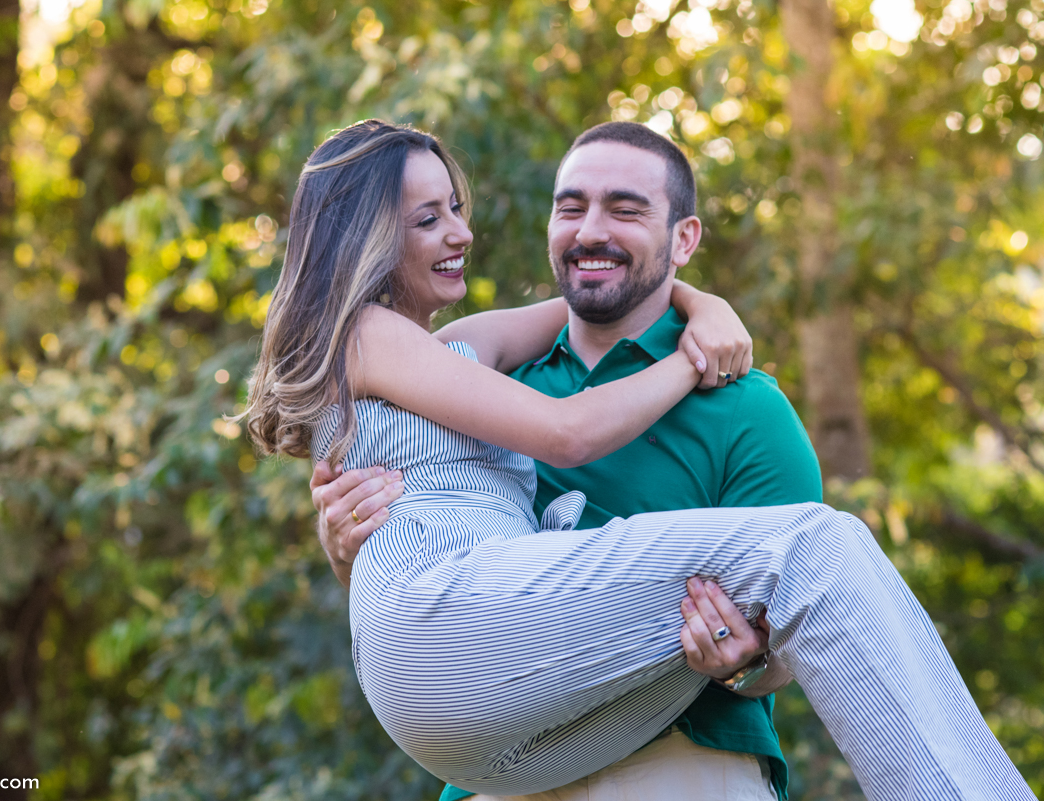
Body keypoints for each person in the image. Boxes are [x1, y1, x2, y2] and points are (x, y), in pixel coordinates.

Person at [244, 119, 1034, 801]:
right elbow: (568, 435)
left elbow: (786, 650)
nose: (461, 232)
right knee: (815, 547)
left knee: (801, 573)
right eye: (428, 218)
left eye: (626, 210)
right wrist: (693, 356)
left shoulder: (462, 353)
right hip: (451, 645)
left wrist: (700, 303)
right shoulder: (399, 344)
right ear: (370, 238)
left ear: (683, 237)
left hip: (572, 728)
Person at [310, 118, 822, 801]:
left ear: (684, 238)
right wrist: (349, 552)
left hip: (675, 761)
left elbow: (796, 639)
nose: (590, 230)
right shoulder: (476, 388)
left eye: (626, 209)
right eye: (571, 207)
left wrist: (743, 663)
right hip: (500, 774)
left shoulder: (749, 411)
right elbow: (433, 560)